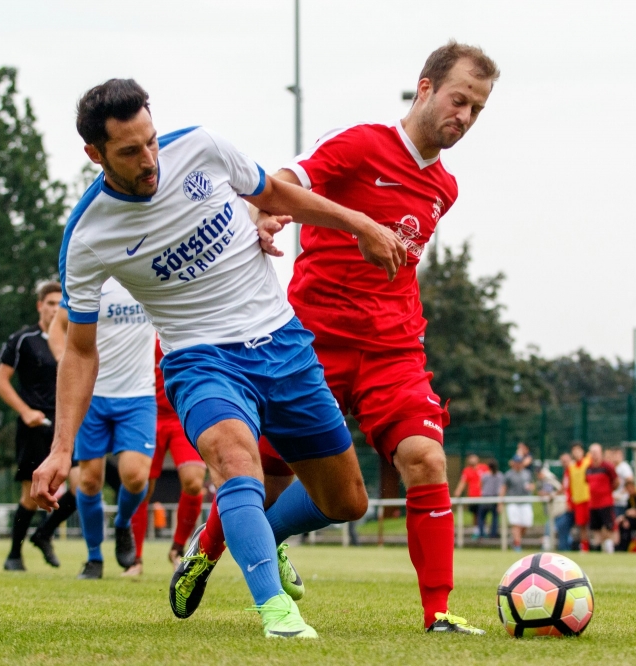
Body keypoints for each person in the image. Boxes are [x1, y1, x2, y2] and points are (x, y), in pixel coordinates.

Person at [31, 78, 406, 639]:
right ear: (95, 154)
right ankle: (277, 613)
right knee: (236, 461)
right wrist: (62, 447)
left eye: (151, 140)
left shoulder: (201, 146)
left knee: (347, 501)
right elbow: (80, 351)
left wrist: (361, 223)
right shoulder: (88, 236)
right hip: (201, 360)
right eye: (130, 151)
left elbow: (274, 194)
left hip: (282, 343)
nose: (149, 160)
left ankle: (231, 540)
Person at [233, 40, 499, 635]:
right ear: (425, 88)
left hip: (393, 351)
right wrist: (264, 213)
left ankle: (438, 613)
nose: (465, 117)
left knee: (426, 459)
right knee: (268, 474)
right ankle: (219, 544)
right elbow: (282, 181)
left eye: (478, 109)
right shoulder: (360, 144)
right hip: (313, 342)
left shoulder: (445, 188)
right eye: (459, 100)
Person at [48, 277, 156, 579]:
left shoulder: (149, 271)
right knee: (89, 480)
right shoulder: (93, 276)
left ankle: (122, 523)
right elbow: (57, 326)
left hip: (138, 396)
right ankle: (94, 557)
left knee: (136, 476)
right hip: (92, 395)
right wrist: (64, 361)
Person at [0, 281, 78, 571]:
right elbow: (0, 381)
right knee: (31, 495)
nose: (56, 309)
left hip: (66, 423)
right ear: (40, 306)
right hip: (35, 426)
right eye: (51, 303)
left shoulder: (73, 339)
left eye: (60, 304)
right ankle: (14, 555)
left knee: (83, 486)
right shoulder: (23, 340)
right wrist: (25, 411)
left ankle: (43, 533)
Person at [127, 338, 209, 576]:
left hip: (182, 414)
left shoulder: (194, 329)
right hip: (148, 414)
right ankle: (135, 559)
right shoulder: (143, 331)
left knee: (194, 483)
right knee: (141, 486)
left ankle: (177, 549)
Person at [585, 443, 618, 553]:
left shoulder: (607, 467)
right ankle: (597, 548)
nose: (594, 455)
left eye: (596, 452)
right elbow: (587, 482)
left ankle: (610, 547)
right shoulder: (588, 468)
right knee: (595, 528)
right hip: (593, 503)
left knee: (609, 526)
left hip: (606, 502)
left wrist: (607, 491)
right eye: (592, 453)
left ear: (601, 453)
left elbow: (616, 481)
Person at [500, 455, 534, 551]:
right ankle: (517, 544)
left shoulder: (527, 473)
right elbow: (504, 488)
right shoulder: (509, 474)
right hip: (513, 502)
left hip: (525, 502)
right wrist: (500, 502)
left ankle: (516, 539)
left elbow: (532, 485)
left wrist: (531, 487)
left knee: (526, 524)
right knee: (516, 524)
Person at [452, 454, 489, 538]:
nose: (472, 460)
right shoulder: (467, 471)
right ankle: (476, 531)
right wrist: (458, 491)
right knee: (475, 514)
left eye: (473, 458)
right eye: (470, 458)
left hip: (483, 496)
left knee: (483, 514)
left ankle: (484, 531)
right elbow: (463, 482)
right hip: (473, 497)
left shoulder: (484, 468)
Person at [566, 443, 592, 551]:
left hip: (589, 498)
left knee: (592, 523)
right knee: (582, 525)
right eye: (574, 450)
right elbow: (568, 485)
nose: (576, 453)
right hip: (578, 499)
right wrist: (569, 501)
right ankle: (584, 546)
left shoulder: (588, 462)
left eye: (578, 450)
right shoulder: (571, 467)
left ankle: (595, 545)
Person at [553, 453, 575, 551]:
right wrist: (555, 494)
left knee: (563, 524)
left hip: (576, 505)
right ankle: (565, 547)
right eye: (562, 462)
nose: (564, 463)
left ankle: (567, 546)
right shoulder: (566, 472)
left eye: (566, 461)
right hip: (570, 505)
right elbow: (564, 487)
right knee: (561, 525)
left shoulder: (574, 470)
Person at [477, 459, 503, 539]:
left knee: (481, 516)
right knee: (495, 517)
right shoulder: (500, 475)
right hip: (495, 497)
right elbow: (501, 489)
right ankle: (493, 534)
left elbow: (480, 485)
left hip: (486, 497)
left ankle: (481, 534)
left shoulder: (485, 475)